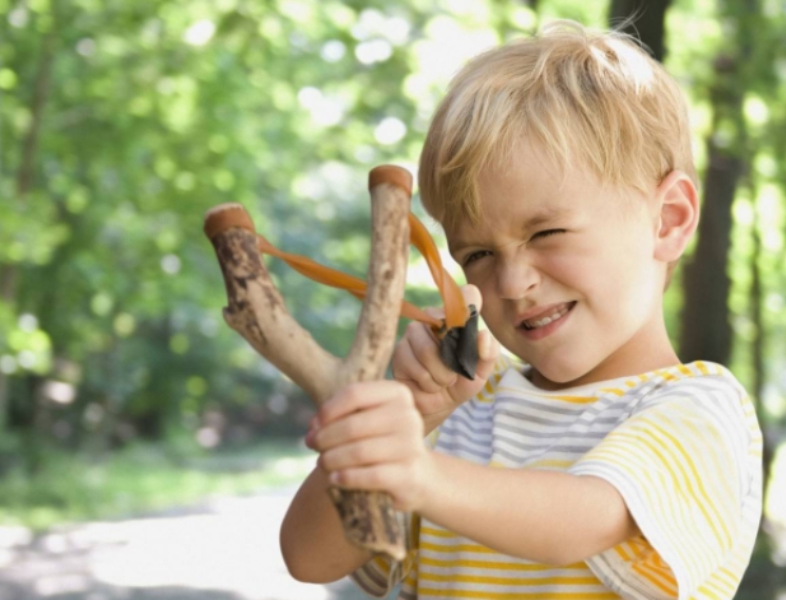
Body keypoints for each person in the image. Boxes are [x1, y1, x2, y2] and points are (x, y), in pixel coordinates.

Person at [279, 20, 763, 600]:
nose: (511, 281)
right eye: (478, 253)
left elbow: (583, 520)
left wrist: (420, 473)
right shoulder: (463, 409)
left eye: (547, 232)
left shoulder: (698, 409)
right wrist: (411, 420)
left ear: (669, 220)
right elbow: (309, 558)